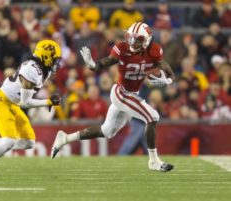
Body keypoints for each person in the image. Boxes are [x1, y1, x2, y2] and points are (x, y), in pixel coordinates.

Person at [51, 22, 175, 172]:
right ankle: (154, 161)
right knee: (152, 116)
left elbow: (163, 65)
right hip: (121, 92)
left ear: (146, 40)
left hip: (132, 95)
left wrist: (170, 79)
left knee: (107, 131)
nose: (132, 42)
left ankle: (65, 138)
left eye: (137, 39)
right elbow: (108, 61)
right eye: (131, 38)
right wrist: (93, 65)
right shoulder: (123, 48)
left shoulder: (154, 50)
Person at [0, 40, 62, 180]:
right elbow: (25, 103)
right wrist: (48, 102)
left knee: (29, 142)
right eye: (54, 59)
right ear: (45, 57)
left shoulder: (43, 69)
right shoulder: (32, 70)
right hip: (3, 102)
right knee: (9, 141)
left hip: (13, 104)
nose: (56, 63)